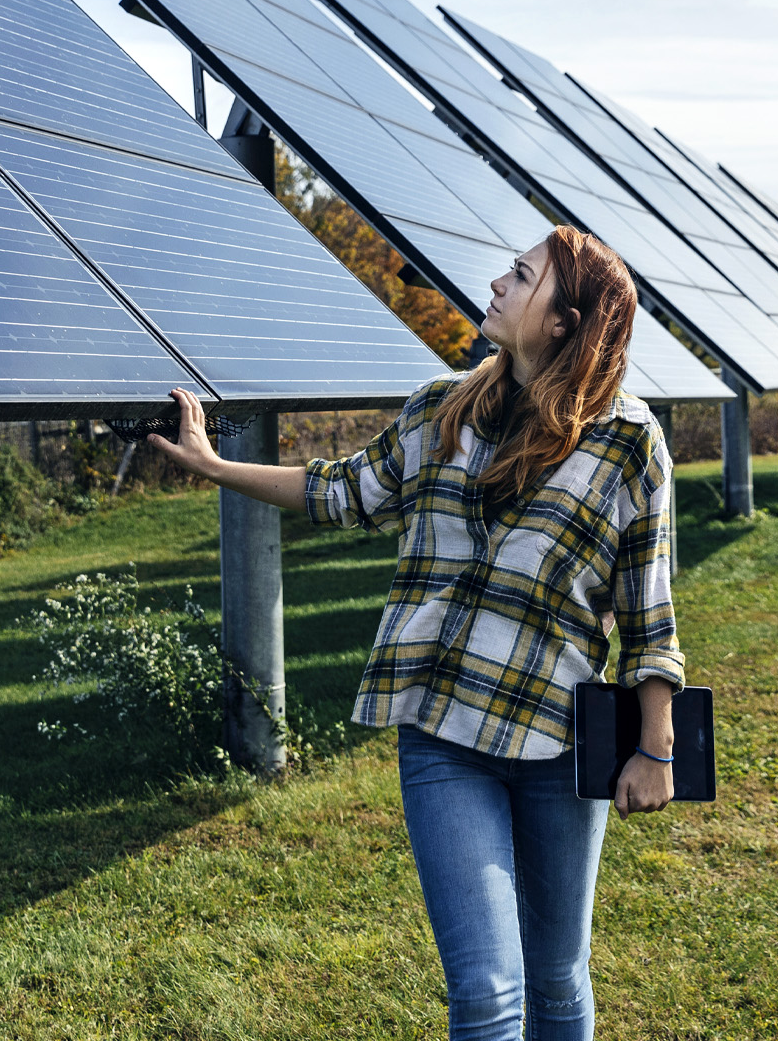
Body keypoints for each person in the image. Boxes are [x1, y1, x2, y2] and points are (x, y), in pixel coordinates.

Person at [151, 224, 683, 1040]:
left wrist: (655, 750)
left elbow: (649, 619)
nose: (499, 283)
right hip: (441, 732)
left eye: (522, 276)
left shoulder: (628, 442)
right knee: (485, 989)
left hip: (558, 741)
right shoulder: (442, 408)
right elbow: (342, 492)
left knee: (557, 975)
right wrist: (217, 468)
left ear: (565, 322)